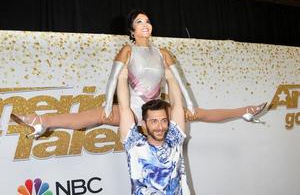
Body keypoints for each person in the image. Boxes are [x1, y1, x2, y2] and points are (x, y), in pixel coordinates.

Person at [10, 10, 266, 139]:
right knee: (95, 116)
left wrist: (188, 105)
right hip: (132, 109)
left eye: (148, 22)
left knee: (198, 113)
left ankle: (245, 110)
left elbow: (177, 81)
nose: (146, 25)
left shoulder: (163, 52)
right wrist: (106, 104)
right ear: (132, 31)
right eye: (140, 22)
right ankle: (41, 121)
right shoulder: (127, 51)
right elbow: (113, 79)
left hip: (155, 107)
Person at [118, 58, 190, 194]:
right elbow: (124, 108)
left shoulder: (174, 140)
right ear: (144, 124)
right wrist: (123, 72)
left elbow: (177, 105)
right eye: (154, 121)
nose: (160, 126)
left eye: (163, 120)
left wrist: (168, 72)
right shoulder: (134, 144)